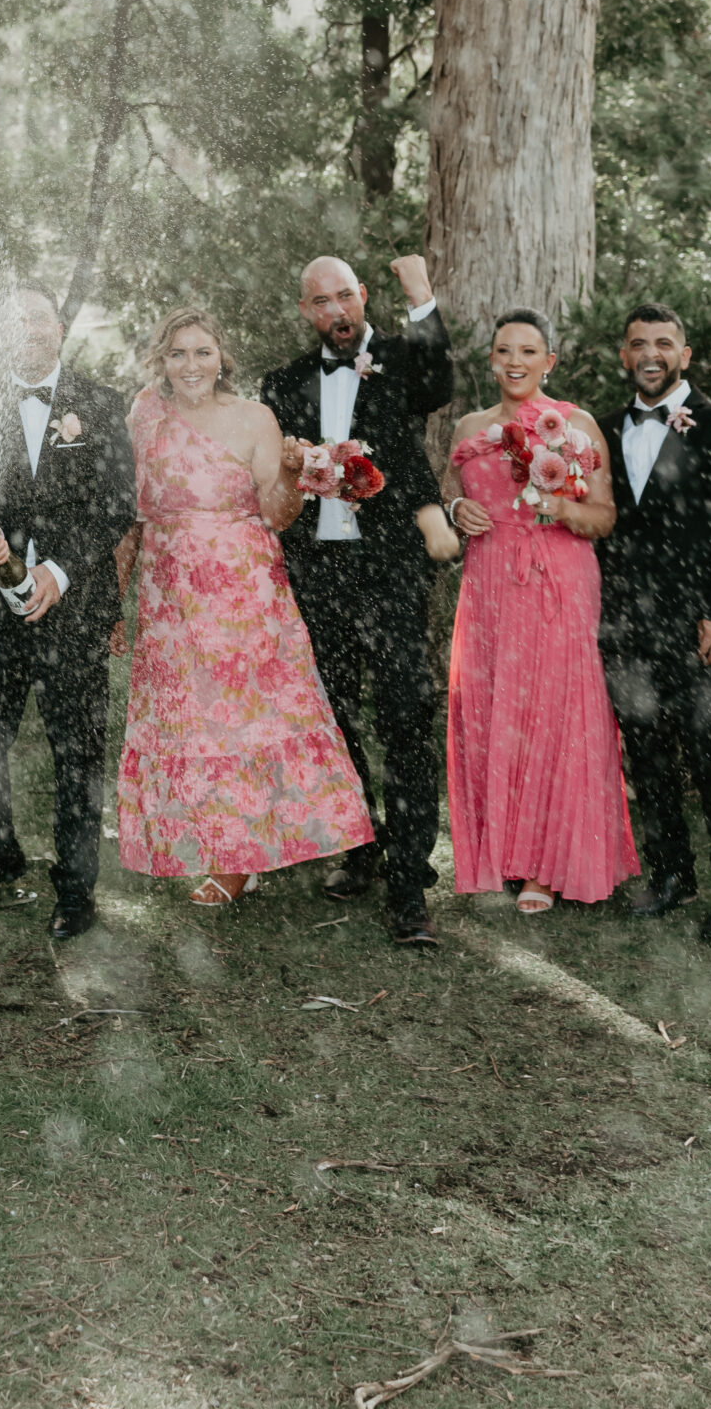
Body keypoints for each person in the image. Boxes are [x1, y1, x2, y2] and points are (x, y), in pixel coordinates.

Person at [118, 308, 374, 907]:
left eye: (202, 352)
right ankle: (210, 844)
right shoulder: (144, 416)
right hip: (167, 591)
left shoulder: (255, 417)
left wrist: (289, 472)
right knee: (188, 722)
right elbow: (129, 517)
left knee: (240, 718)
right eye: (177, 354)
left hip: (241, 591)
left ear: (222, 359)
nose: (190, 365)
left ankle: (238, 858)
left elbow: (280, 514)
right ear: (161, 361)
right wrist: (116, 598)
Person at [260, 254, 457, 944]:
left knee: (404, 711)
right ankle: (359, 844)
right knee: (332, 712)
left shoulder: (400, 361)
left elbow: (438, 381)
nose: (336, 313)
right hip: (316, 571)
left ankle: (409, 882)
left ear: (362, 297)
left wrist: (421, 298)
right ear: (305, 310)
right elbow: (272, 475)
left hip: (390, 568)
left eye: (345, 298)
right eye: (320, 302)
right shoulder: (281, 382)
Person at [0, 283, 139, 941]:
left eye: (36, 319)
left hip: (76, 605)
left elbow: (115, 505)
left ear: (58, 329)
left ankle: (76, 885)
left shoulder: (102, 405)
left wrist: (57, 572)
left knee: (77, 750)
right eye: (12, 322)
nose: (26, 330)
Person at [445, 311, 639, 913]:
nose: (515, 362)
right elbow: (450, 493)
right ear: (491, 360)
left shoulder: (574, 425)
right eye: (504, 350)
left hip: (558, 577)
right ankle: (501, 852)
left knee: (555, 711)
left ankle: (547, 868)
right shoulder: (469, 426)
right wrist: (456, 512)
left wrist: (557, 505)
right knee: (491, 707)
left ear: (549, 361)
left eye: (529, 351)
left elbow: (604, 516)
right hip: (489, 582)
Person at [600, 303, 711, 944]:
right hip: (624, 624)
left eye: (663, 343)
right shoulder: (603, 429)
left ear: (685, 355)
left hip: (698, 625)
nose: (650, 354)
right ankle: (671, 873)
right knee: (647, 753)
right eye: (638, 343)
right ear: (623, 355)